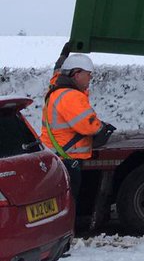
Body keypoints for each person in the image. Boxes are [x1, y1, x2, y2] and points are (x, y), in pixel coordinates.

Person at [40, 53, 116, 198]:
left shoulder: (57, 90)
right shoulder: (71, 96)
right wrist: (103, 128)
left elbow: (56, 77)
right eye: (88, 74)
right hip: (67, 159)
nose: (90, 78)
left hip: (57, 155)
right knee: (70, 202)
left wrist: (61, 60)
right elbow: (89, 126)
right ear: (76, 74)